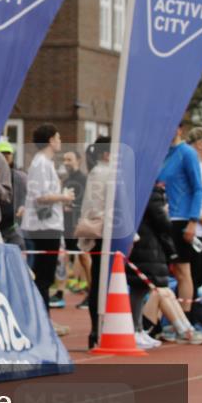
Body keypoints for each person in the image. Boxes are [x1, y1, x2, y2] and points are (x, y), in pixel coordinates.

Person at [128, 182, 202, 346]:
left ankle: (183, 329)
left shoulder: (152, 190)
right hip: (148, 248)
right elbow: (161, 219)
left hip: (151, 248)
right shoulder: (151, 191)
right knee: (158, 291)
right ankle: (182, 330)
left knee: (161, 291)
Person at [21, 124, 74, 311]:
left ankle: (44, 319)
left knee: (44, 276)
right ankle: (42, 319)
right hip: (44, 226)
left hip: (47, 224)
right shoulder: (41, 163)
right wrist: (64, 197)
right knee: (43, 277)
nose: (60, 141)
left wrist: (62, 199)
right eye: (58, 138)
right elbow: (40, 197)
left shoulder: (44, 162)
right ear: (51, 140)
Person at [158, 123, 202, 327]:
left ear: (179, 130)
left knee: (183, 271)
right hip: (164, 219)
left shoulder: (186, 153)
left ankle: (186, 322)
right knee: (172, 272)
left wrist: (192, 221)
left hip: (182, 220)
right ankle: (173, 320)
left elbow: (198, 189)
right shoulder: (163, 154)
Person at [75, 136, 111, 349]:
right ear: (106, 154)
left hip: (98, 233)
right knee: (100, 282)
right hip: (103, 233)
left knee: (99, 281)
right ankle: (97, 330)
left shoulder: (97, 173)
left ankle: (97, 330)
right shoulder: (105, 174)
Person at [62, 149, 90, 307]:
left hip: (79, 224)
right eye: (64, 160)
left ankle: (91, 293)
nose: (66, 163)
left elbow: (87, 202)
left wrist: (74, 207)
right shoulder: (66, 181)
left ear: (78, 161)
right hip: (67, 225)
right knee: (71, 258)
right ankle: (61, 291)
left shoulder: (84, 179)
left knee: (84, 258)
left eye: (69, 159)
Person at [187, 126, 202, 329]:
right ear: (201, 143)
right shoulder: (191, 163)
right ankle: (190, 319)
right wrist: (199, 219)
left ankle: (196, 316)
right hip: (195, 228)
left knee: (199, 276)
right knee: (192, 275)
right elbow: (190, 197)